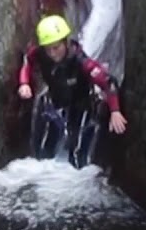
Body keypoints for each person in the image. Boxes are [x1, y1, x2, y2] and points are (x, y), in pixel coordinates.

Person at [18, 15, 128, 165]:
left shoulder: (81, 61)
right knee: (42, 153)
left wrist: (115, 111)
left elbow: (109, 82)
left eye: (56, 48)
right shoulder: (39, 53)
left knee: (76, 157)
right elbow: (27, 61)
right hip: (56, 101)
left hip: (81, 105)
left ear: (66, 42)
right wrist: (24, 83)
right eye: (48, 49)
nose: (52, 53)